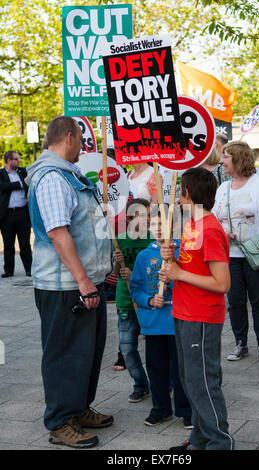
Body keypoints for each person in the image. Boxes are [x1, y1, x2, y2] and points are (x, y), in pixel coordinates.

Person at [25, 116, 113, 449]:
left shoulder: (67, 175)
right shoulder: (51, 178)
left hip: (84, 281)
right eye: (81, 139)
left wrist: (102, 270)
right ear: (68, 138)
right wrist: (83, 281)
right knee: (65, 354)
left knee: (86, 353)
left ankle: (78, 408)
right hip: (64, 286)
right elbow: (58, 233)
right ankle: (61, 421)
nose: (84, 146)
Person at [159, 167, 233, 450]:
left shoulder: (210, 229)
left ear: (187, 193)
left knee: (203, 382)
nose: (178, 197)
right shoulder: (192, 225)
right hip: (184, 312)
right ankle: (200, 438)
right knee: (190, 380)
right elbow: (189, 265)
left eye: (180, 192)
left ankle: (219, 442)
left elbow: (222, 283)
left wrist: (179, 274)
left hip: (201, 317)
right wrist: (171, 257)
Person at [213, 141, 259, 362]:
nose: (221, 161)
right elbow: (214, 217)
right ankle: (240, 343)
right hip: (230, 256)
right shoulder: (223, 188)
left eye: (226, 157)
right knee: (235, 301)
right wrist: (224, 232)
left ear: (239, 158)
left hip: (256, 254)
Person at [129, 208, 192, 429]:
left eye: (162, 224)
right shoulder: (143, 256)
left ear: (173, 226)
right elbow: (135, 288)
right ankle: (160, 409)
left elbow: (189, 282)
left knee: (179, 369)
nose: (158, 229)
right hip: (153, 323)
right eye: (154, 224)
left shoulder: (182, 251)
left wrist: (173, 266)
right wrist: (148, 300)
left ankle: (186, 410)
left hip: (176, 320)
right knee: (156, 368)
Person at [113, 198, 151, 403]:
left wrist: (135, 275)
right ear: (129, 219)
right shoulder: (119, 239)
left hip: (148, 302)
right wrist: (119, 264)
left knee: (156, 349)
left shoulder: (154, 240)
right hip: (126, 301)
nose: (146, 220)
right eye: (141, 216)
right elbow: (115, 272)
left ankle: (164, 382)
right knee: (127, 348)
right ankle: (140, 384)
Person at [0, 150, 32, 277]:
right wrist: (19, 184)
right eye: (16, 159)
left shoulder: (23, 172)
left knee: (25, 243)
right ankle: (9, 271)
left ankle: (29, 269)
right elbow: (3, 186)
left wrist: (18, 185)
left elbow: (29, 183)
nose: (18, 161)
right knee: (8, 244)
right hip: (6, 214)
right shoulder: (1, 174)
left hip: (22, 212)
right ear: (8, 160)